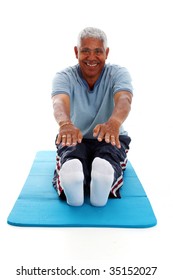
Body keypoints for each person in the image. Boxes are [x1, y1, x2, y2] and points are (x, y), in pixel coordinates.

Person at [51, 27, 133, 207]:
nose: (91, 57)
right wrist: (65, 124)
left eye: (98, 51)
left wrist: (114, 123)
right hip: (74, 136)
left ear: (107, 53)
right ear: (76, 52)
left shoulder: (119, 73)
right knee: (71, 156)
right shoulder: (64, 76)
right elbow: (59, 102)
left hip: (110, 136)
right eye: (85, 51)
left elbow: (125, 98)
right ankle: (73, 180)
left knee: (108, 157)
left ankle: (103, 178)